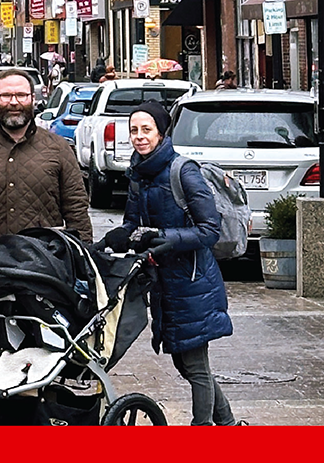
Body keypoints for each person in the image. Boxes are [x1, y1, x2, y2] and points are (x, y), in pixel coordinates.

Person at [98, 101, 239, 426]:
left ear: (161, 132)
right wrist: (115, 238)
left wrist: (168, 237)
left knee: (194, 364)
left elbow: (209, 229)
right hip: (162, 281)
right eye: (134, 130)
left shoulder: (182, 170)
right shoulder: (138, 173)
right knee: (185, 363)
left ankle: (203, 429)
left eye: (146, 130)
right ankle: (229, 425)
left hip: (192, 282)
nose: (139, 137)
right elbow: (133, 222)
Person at [0, 68, 92, 284]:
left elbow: (76, 208)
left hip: (47, 263)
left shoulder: (58, 148)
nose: (14, 102)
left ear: (33, 98)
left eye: (21, 95)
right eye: (6, 96)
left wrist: (84, 261)